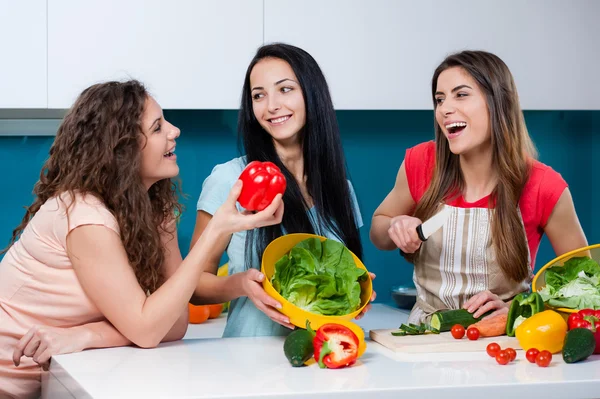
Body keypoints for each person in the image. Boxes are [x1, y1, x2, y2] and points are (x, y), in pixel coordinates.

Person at [0, 80, 283, 398]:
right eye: (158, 127)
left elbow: (173, 325)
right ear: (124, 149)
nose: (174, 131)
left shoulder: (154, 211)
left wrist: (84, 335)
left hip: (50, 383)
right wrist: (217, 229)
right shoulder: (84, 215)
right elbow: (148, 329)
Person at [370, 50, 587, 324]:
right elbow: (378, 231)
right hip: (425, 337)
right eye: (440, 99)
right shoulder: (421, 163)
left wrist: (524, 309)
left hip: (505, 343)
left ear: (498, 102)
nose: (445, 108)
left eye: (461, 94)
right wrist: (396, 227)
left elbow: (584, 282)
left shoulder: (544, 185)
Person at [190, 43, 374, 337]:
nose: (271, 105)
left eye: (285, 89)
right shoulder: (232, 180)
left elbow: (341, 275)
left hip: (323, 362)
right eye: (258, 95)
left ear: (312, 95)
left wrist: (357, 289)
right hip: (248, 364)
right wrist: (241, 285)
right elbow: (193, 285)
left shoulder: (340, 189)